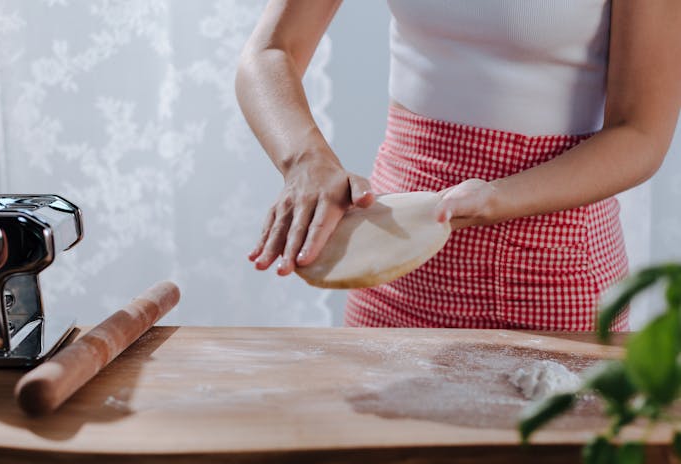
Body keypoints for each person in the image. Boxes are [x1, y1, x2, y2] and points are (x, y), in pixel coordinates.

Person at [235, 0, 681, 331]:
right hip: (395, 258)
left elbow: (640, 133)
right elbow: (271, 50)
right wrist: (306, 160)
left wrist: (496, 197)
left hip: (554, 267)